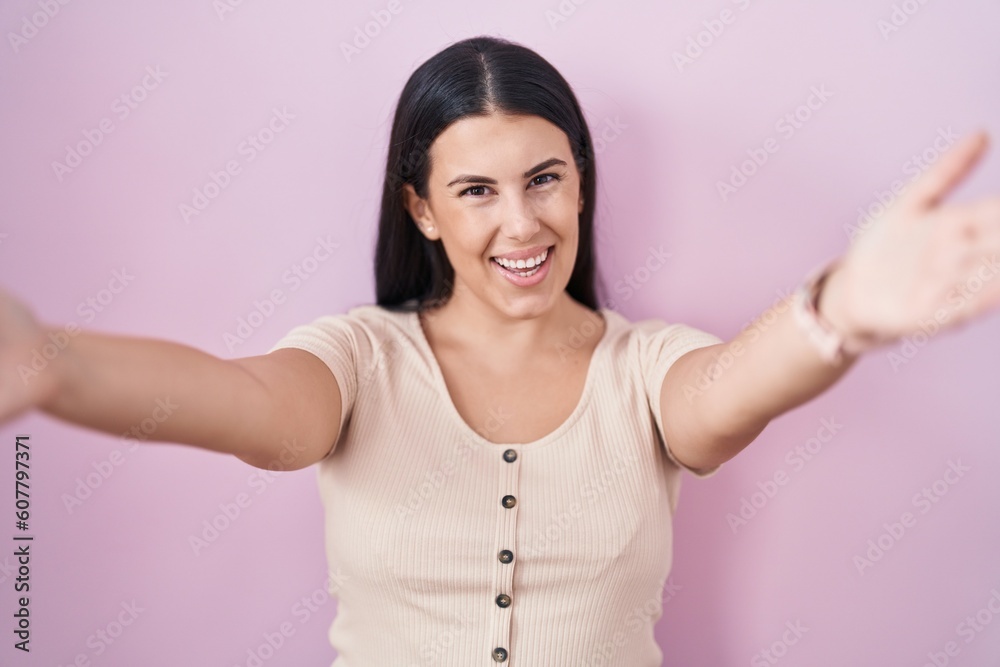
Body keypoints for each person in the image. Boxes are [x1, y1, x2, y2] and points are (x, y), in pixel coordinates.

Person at [2, 34, 998, 666]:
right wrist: (54, 364)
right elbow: (240, 401)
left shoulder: (648, 366)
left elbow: (726, 392)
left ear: (581, 182)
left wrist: (840, 312)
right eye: (476, 190)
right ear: (420, 209)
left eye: (544, 179)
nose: (521, 225)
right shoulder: (356, 361)